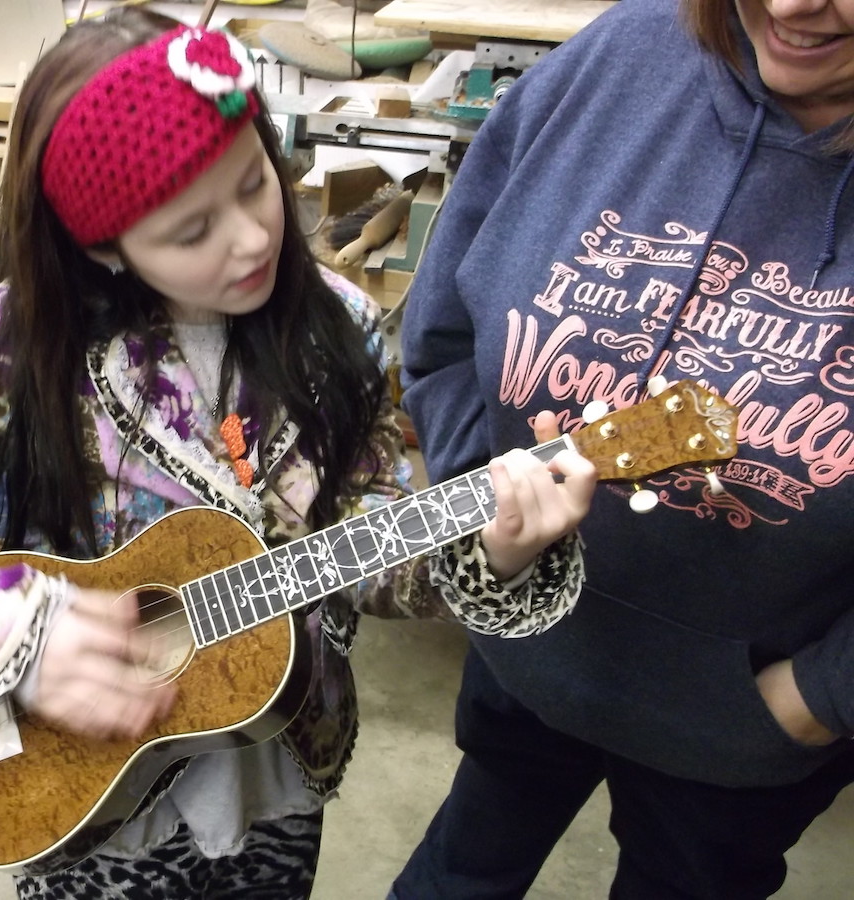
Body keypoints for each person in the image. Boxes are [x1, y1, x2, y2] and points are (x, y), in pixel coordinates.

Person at [0, 9, 596, 899]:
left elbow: (367, 549)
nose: (253, 237)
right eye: (192, 231)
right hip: (83, 790)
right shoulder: (21, 340)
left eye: (254, 182)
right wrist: (18, 637)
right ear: (104, 246)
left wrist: (492, 550)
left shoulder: (340, 332)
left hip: (275, 766)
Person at [392, 0, 854, 897]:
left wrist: (819, 697)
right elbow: (444, 327)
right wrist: (487, 526)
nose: (793, 4)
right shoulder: (617, 57)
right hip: (528, 642)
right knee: (459, 871)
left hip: (741, 730)